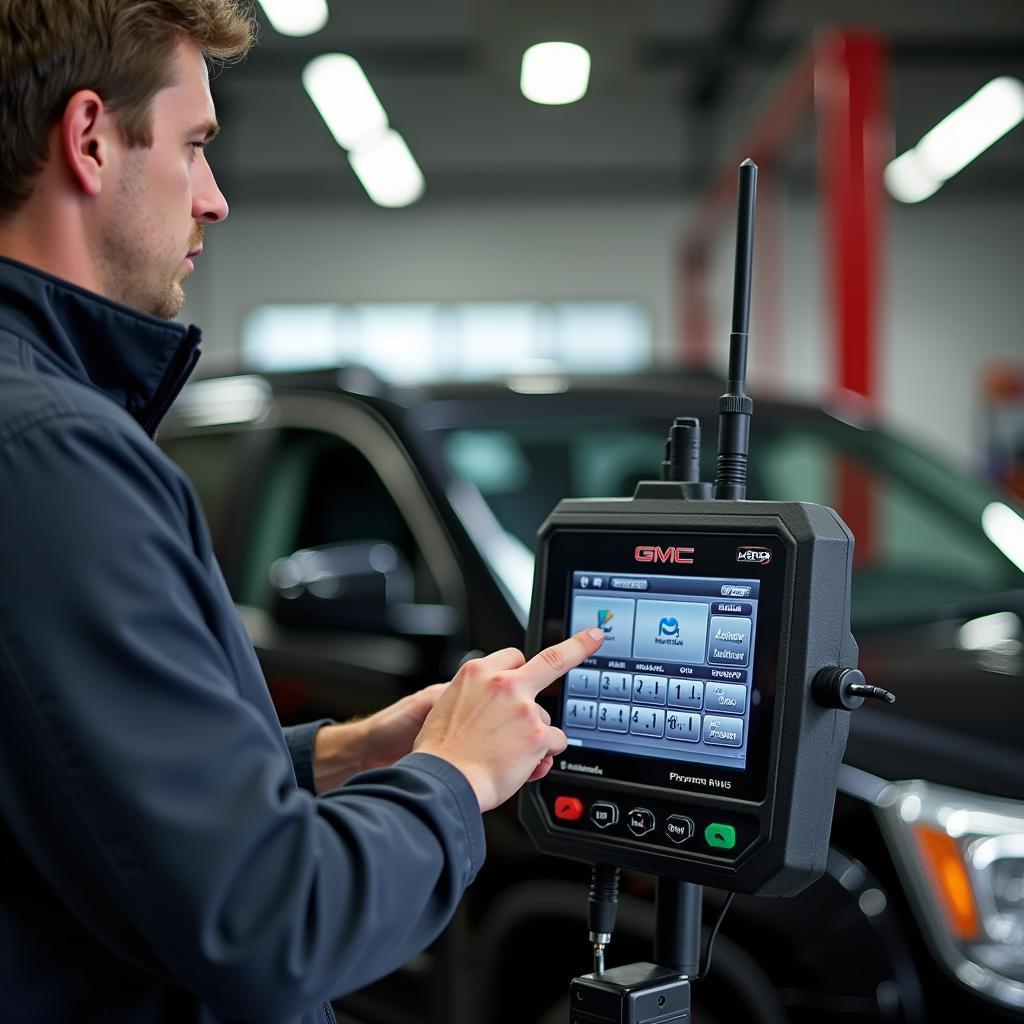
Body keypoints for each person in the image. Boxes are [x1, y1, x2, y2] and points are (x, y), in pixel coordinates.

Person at [0, 2, 604, 1021]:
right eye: (193, 147)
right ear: (91, 137)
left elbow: (67, 783)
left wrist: (343, 753)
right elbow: (269, 922)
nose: (215, 198)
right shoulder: (54, 454)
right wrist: (454, 780)